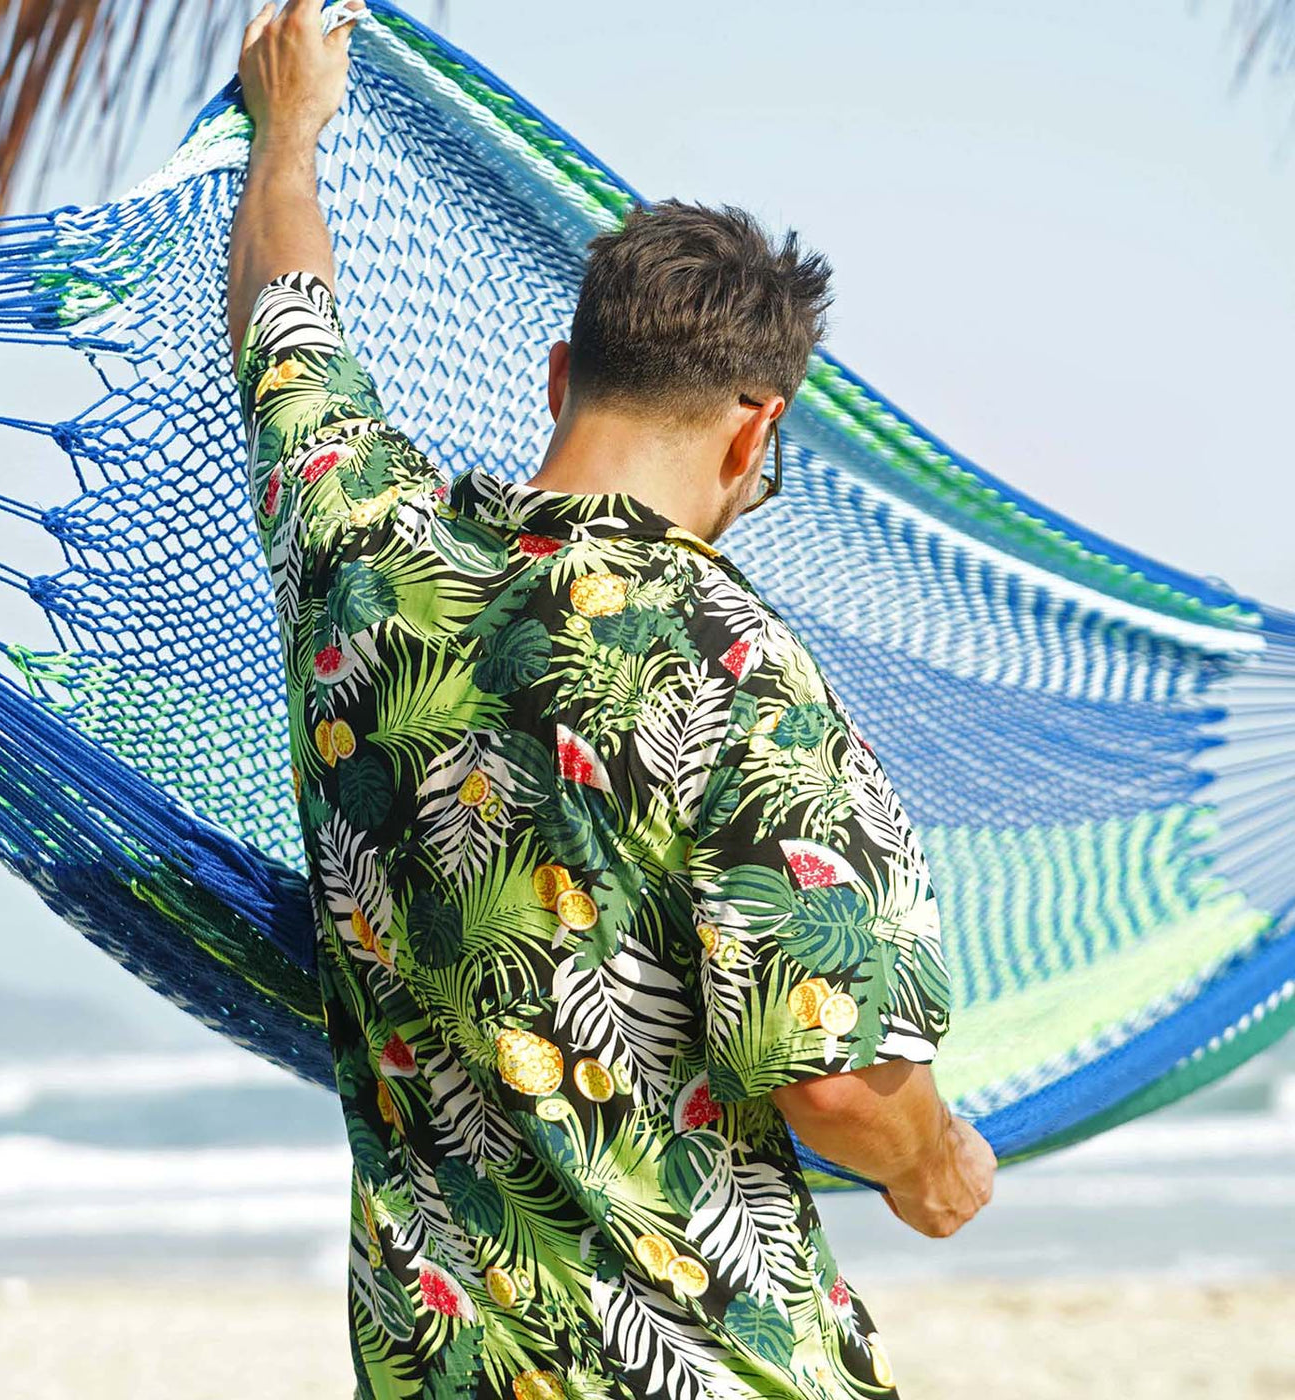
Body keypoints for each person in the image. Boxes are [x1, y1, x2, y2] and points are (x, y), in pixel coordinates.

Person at [227, 3, 996, 1398]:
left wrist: (289, 136)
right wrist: (938, 1165)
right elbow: (831, 1083)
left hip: (444, 1366)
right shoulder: (736, 667)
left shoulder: (360, 551)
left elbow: (290, 336)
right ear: (759, 426)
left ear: (562, 375)